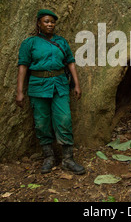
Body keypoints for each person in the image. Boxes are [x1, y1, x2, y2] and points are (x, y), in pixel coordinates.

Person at [15, 9, 85, 175]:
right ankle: (49, 157)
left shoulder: (61, 42)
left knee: (64, 119)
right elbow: (23, 66)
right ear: (39, 23)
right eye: (46, 21)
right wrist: (19, 92)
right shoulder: (29, 43)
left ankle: (68, 159)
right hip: (38, 86)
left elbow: (71, 63)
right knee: (41, 122)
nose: (50, 24)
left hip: (59, 85)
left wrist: (77, 84)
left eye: (52, 22)